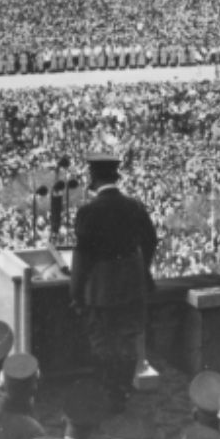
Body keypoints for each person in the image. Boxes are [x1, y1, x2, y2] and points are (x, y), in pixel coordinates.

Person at [71, 152, 158, 412]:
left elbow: (82, 257)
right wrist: (140, 269)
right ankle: (122, 391)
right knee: (128, 340)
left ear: (93, 180)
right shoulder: (134, 206)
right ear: (115, 177)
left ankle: (110, 393)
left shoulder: (88, 212)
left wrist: (76, 294)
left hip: (101, 289)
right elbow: (151, 241)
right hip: (132, 285)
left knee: (103, 342)